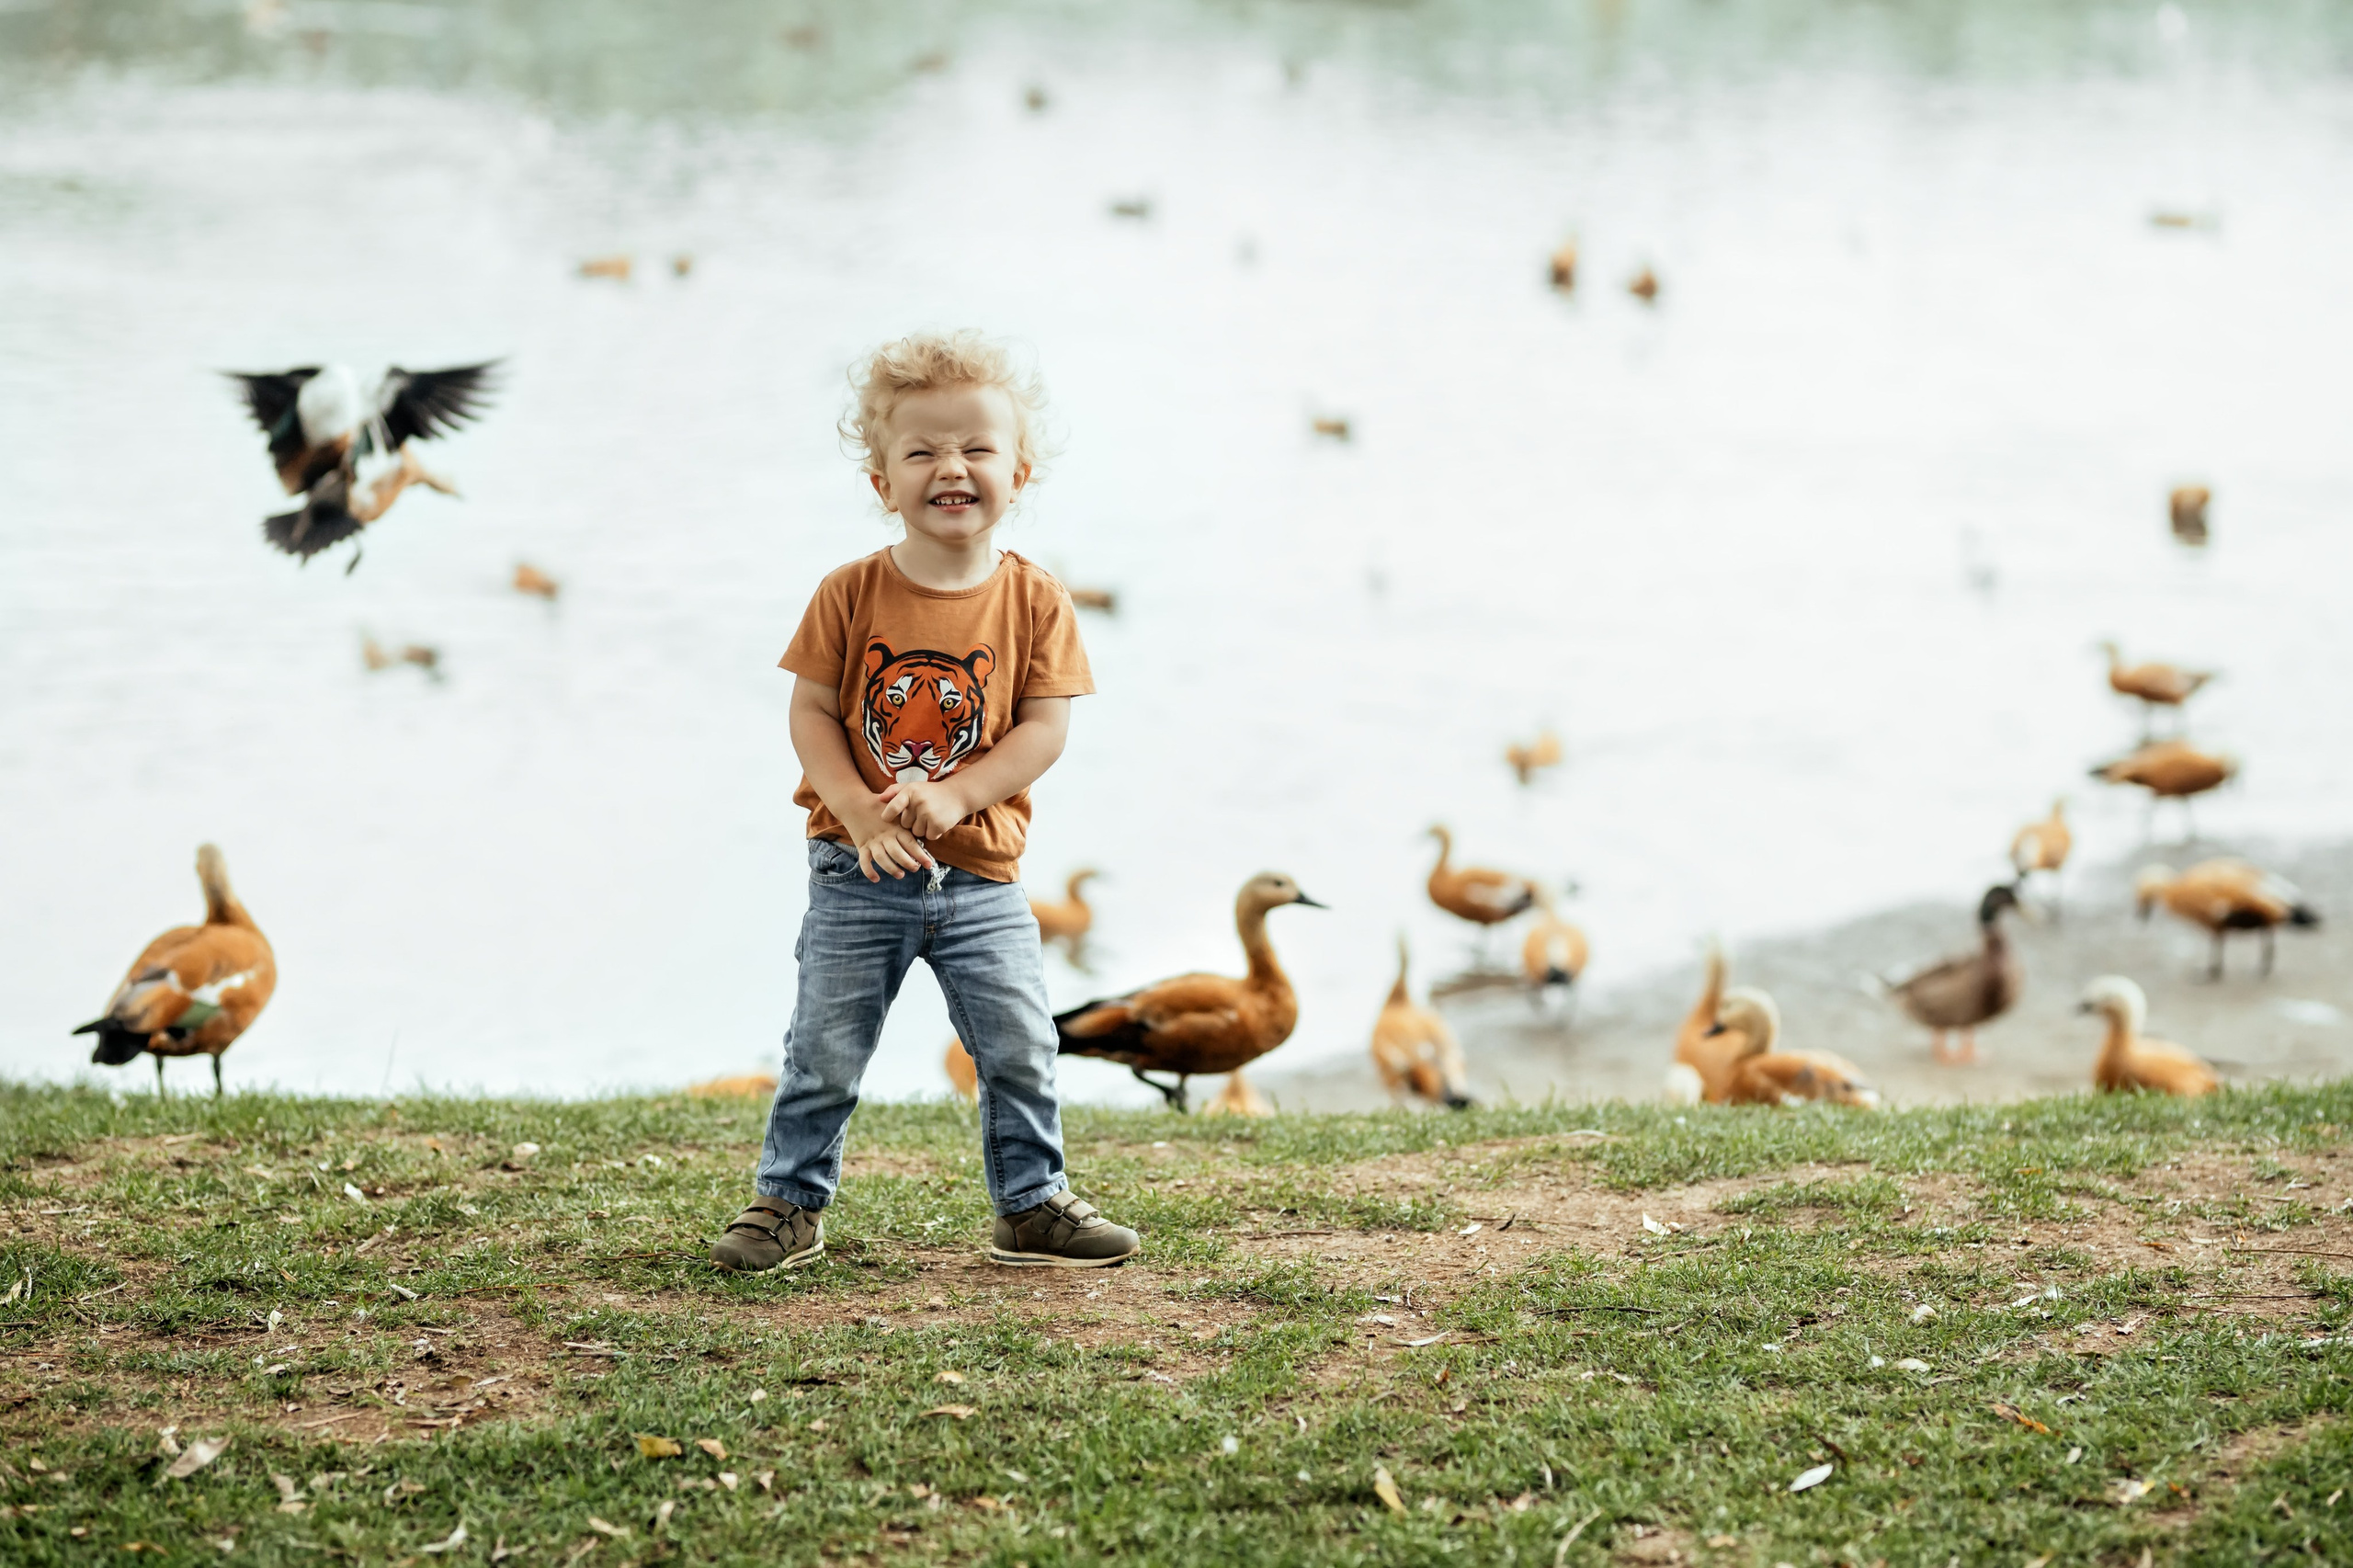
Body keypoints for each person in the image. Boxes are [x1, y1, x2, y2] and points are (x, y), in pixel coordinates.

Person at [710, 331, 1139, 1272]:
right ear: (883, 481)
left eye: (976, 447)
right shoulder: (848, 592)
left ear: (1017, 473)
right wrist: (862, 812)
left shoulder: (1037, 601)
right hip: (855, 870)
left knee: (1021, 1044)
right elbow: (811, 713)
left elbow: (1045, 728)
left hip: (982, 873)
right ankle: (788, 1203)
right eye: (922, 451)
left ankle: (1031, 1204)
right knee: (824, 1048)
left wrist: (960, 795)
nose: (951, 467)